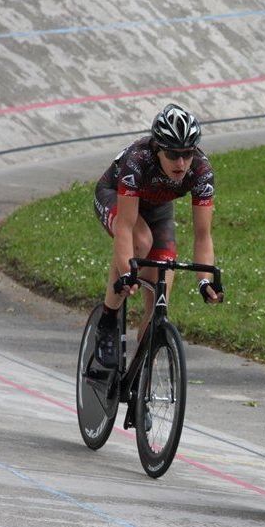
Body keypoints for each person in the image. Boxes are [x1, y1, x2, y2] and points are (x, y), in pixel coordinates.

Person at [93, 103, 223, 369]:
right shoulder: (138, 160)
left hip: (158, 209)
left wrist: (204, 281)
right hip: (115, 196)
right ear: (158, 149)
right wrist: (126, 273)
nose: (181, 162)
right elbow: (126, 228)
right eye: (173, 154)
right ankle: (107, 320)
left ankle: (140, 387)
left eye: (187, 153)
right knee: (141, 242)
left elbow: (202, 235)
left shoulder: (201, 171)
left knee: (160, 291)